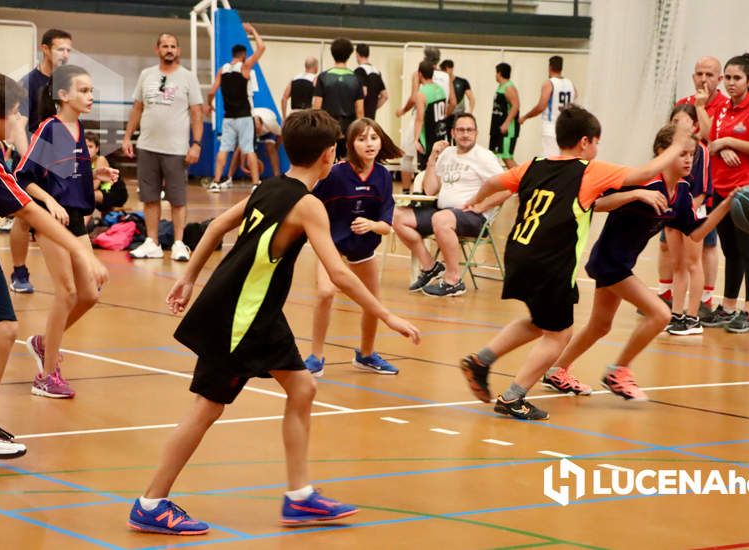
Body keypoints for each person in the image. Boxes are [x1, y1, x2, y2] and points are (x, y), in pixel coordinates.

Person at [126, 110, 419, 535]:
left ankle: (300, 497)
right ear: (329, 155)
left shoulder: (270, 186)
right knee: (207, 407)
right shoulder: (308, 204)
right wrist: (387, 315)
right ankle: (151, 502)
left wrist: (189, 279)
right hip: (240, 316)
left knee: (303, 386)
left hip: (258, 312)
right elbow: (338, 273)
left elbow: (216, 228)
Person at [457, 105, 686, 419]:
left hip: (518, 253)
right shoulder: (588, 170)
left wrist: (476, 201)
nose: (597, 149)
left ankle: (481, 361)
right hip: (551, 261)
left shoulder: (533, 164)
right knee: (559, 335)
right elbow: (645, 174)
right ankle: (513, 397)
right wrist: (677, 145)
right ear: (584, 142)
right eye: (596, 142)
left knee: (539, 323)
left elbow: (495, 182)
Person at [0, 71, 108, 457]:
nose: (20, 119)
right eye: (15, 113)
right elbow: (28, 210)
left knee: (3, 330)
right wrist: (81, 252)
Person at [544, 124, 736, 400]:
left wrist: (727, 204)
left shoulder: (681, 192)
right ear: (662, 152)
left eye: (691, 155)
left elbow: (696, 232)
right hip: (609, 263)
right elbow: (595, 203)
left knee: (600, 326)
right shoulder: (643, 181)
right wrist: (636, 194)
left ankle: (556, 370)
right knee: (661, 314)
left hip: (620, 264)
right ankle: (618, 371)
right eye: (681, 153)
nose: (687, 160)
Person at [15, 64, 119, 398]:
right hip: (49, 217)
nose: (90, 97)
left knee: (90, 294)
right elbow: (24, 176)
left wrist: (98, 171)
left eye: (91, 91)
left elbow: (68, 170)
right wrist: (49, 201)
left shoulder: (80, 129)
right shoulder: (49, 128)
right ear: (63, 95)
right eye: (84, 91)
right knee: (68, 292)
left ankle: (45, 342)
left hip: (76, 220)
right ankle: (45, 377)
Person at [304, 118, 402, 376]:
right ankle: (315, 357)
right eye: (362, 138)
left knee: (372, 302)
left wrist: (371, 224)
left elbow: (387, 225)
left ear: (381, 141)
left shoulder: (382, 176)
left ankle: (366, 355)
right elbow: (310, 202)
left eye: (373, 137)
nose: (369, 143)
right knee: (326, 293)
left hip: (363, 248)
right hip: (332, 244)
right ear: (350, 143)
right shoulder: (336, 173)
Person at [393, 113, 506, 297]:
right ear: (453, 133)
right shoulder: (447, 154)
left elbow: (507, 188)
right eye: (461, 130)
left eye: (469, 130)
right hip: (443, 213)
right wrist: (433, 158)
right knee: (397, 216)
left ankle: (454, 280)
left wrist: (481, 206)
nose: (465, 134)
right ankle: (430, 267)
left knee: (441, 219)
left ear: (476, 133)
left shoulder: (484, 156)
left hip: (473, 217)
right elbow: (430, 190)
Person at [704, 53, 749, 334]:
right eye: (728, 78)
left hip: (747, 191)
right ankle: (728, 306)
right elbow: (711, 144)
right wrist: (722, 146)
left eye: (737, 78)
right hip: (721, 190)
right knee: (730, 251)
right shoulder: (721, 109)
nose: (731, 83)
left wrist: (730, 141)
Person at [123, 33, 204, 262]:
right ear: (157, 49)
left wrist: (196, 144)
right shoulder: (146, 75)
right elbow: (137, 108)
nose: (169, 49)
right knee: (149, 197)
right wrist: (128, 137)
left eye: (173, 46)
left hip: (177, 149)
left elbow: (197, 113)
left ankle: (178, 243)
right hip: (147, 145)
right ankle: (152, 242)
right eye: (165, 46)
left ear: (178, 50)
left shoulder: (188, 77)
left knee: (177, 198)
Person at [8, 28, 74, 294]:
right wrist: (29, 162)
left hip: (57, 162)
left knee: (63, 213)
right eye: (60, 49)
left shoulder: (66, 82)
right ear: (45, 49)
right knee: (24, 217)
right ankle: (19, 271)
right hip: (30, 160)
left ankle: (71, 272)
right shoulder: (28, 84)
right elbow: (18, 126)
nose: (65, 55)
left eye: (69, 50)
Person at [662, 56, 728, 313]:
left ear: (718, 79)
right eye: (699, 73)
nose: (703, 79)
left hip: (705, 195)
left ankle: (702, 302)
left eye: (709, 74)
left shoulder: (722, 107)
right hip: (674, 200)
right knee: (672, 253)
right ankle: (672, 302)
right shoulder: (682, 105)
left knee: (704, 250)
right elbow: (669, 141)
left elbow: (713, 139)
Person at [664, 104, 712, 336]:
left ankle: (693, 318)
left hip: (693, 212)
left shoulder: (700, 150)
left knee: (694, 264)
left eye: (681, 122)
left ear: (693, 125)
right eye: (674, 122)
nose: (676, 126)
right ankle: (676, 314)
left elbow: (702, 191)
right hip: (673, 212)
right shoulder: (669, 151)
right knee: (677, 265)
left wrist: (685, 210)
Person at [205, 23, 265, 191]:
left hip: (228, 117)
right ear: (244, 55)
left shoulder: (222, 70)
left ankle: (216, 182)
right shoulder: (245, 67)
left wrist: (209, 105)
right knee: (249, 150)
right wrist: (253, 30)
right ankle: (255, 184)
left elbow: (211, 92)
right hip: (244, 116)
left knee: (224, 149)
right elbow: (262, 47)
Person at [395, 47, 455, 192]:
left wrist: (402, 111)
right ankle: (438, 191)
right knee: (438, 158)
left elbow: (414, 98)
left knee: (408, 156)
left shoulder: (418, 75)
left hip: (421, 121)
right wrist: (442, 116)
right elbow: (453, 101)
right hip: (439, 123)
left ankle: (406, 191)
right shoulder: (446, 76)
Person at [312, 38, 363, 159]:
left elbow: (316, 107)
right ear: (350, 55)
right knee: (346, 163)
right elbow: (360, 111)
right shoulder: (356, 78)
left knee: (326, 161)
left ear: (332, 54)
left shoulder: (323, 77)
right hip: (349, 129)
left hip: (327, 128)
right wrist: (360, 132)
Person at [519, 55, 578, 157]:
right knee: (564, 157)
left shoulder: (549, 83)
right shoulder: (570, 83)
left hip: (551, 126)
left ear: (550, 67)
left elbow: (541, 106)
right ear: (561, 68)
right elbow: (575, 95)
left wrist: (525, 117)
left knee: (550, 158)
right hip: (566, 126)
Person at [413, 60, 448, 171]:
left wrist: (416, 140)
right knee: (438, 169)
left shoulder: (422, 93)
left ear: (420, 74)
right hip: (440, 134)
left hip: (427, 138)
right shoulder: (441, 89)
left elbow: (419, 118)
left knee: (425, 171)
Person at [86, 132, 128, 214]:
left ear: (97, 149)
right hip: (102, 192)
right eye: (85, 147)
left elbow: (94, 186)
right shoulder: (83, 162)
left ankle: (83, 225)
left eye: (90, 147)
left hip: (116, 193)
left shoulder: (100, 159)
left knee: (87, 195)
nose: (87, 150)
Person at [490, 62, 520, 169]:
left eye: (496, 72)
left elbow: (516, 106)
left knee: (507, 157)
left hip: (508, 129)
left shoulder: (509, 87)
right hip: (498, 126)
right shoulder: (501, 87)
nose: (495, 75)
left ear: (499, 73)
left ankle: (524, 182)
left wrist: (506, 124)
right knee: (496, 155)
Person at [354, 43, 388, 120]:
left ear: (357, 54)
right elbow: (385, 96)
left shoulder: (359, 71)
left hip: (361, 117)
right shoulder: (377, 72)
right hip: (372, 118)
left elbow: (363, 92)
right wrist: (372, 108)